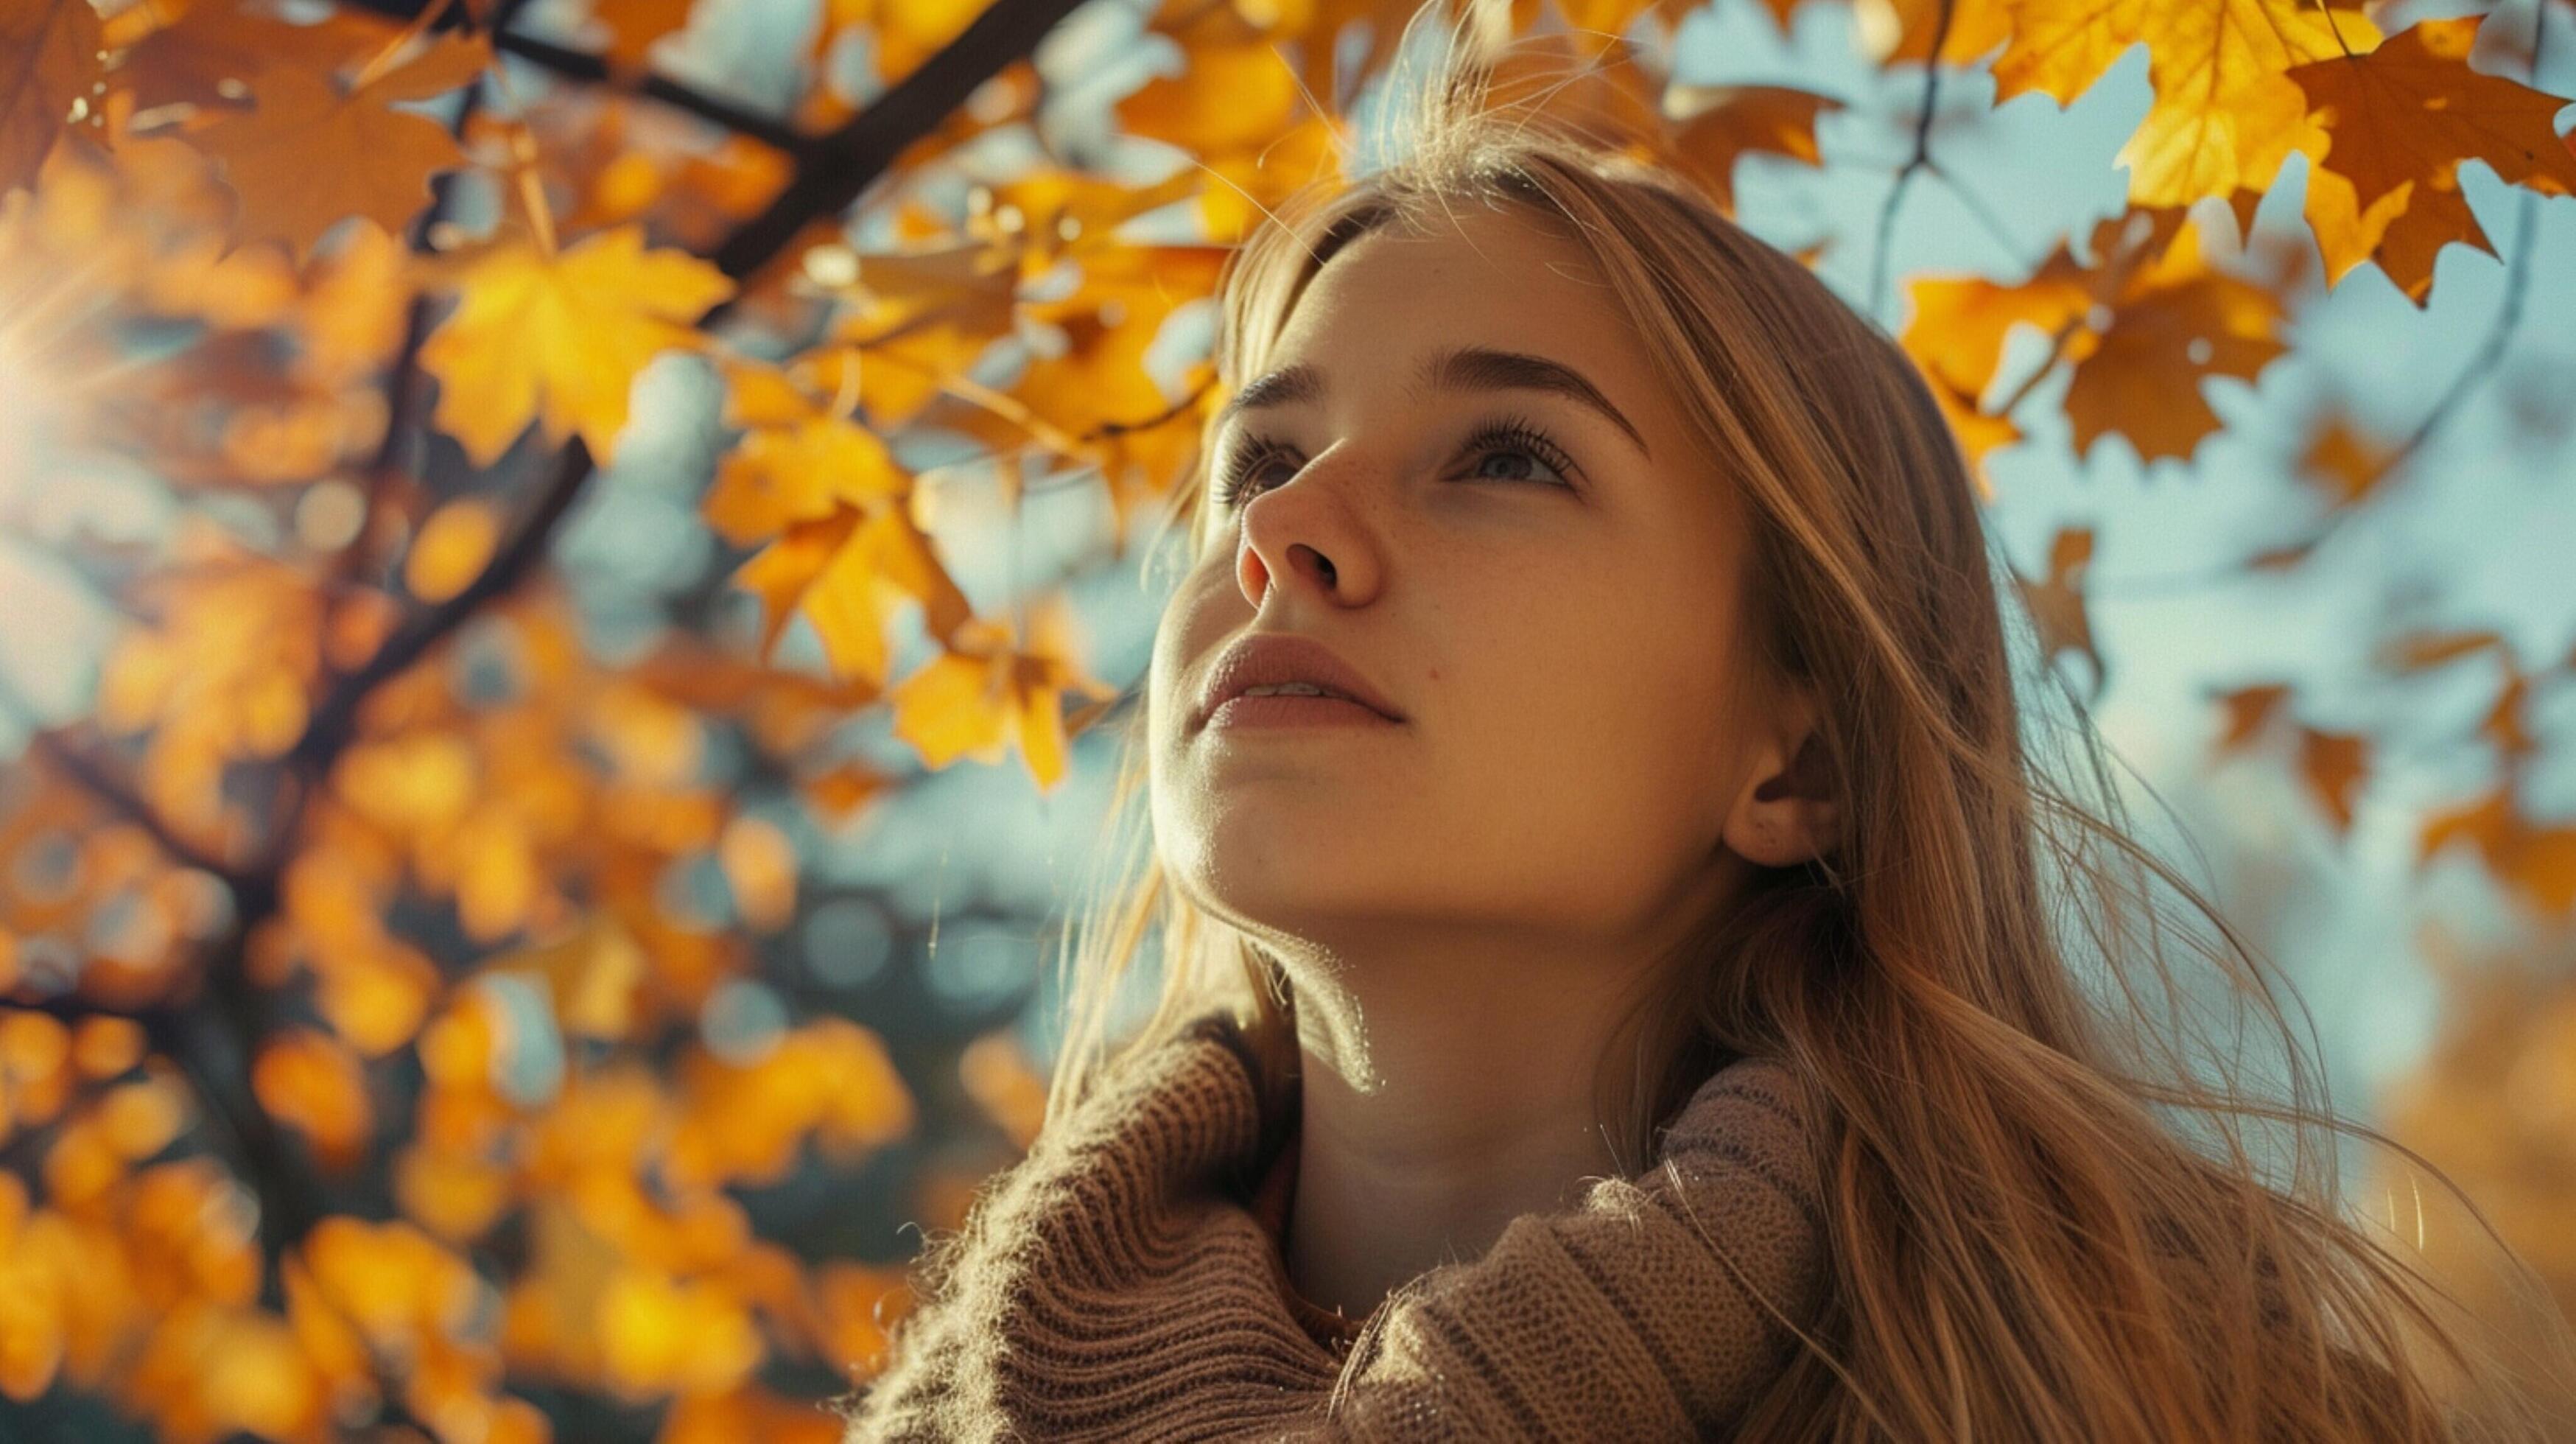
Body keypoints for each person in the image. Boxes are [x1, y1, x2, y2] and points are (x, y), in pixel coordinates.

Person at [836, 4, 2576, 1437]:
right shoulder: (935, 1411)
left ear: (1798, 757)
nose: (1283, 531)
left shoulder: (2169, 1391)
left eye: (1508, 456)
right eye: (1263, 460)